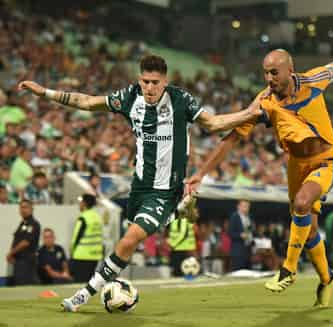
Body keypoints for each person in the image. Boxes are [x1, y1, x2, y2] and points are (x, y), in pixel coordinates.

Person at [18, 54, 265, 312]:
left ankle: (83, 294)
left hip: (165, 190)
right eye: (145, 81)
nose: (149, 88)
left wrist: (250, 114)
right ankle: (175, 215)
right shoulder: (130, 97)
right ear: (139, 79)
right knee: (127, 245)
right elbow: (88, 102)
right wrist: (44, 92)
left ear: (165, 81)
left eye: (155, 82)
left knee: (129, 239)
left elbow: (214, 123)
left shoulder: (180, 100)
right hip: (139, 188)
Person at [186, 49, 333, 307]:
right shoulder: (264, 101)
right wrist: (200, 173)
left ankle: (289, 269)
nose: (269, 78)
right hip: (296, 166)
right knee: (308, 231)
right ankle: (327, 279)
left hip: (327, 159)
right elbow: (232, 139)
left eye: (274, 72)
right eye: (265, 72)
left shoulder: (313, 80)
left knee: (302, 202)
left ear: (290, 69)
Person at [70, 193, 103, 283]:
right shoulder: (97, 217)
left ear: (84, 204)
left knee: (79, 284)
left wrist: (72, 253)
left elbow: (75, 238)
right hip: (95, 256)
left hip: (81, 256)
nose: (79, 204)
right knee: (89, 284)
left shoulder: (83, 217)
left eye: (80, 202)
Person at [6, 199, 41, 285]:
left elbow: (25, 242)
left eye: (26, 207)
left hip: (27, 261)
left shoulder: (33, 224)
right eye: (21, 207)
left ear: (31, 209)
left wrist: (10, 253)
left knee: (25, 285)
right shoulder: (23, 224)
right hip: (18, 261)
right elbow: (17, 240)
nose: (23, 210)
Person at [228, 200, 253, 271]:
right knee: (238, 271)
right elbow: (230, 233)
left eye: (248, 207)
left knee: (247, 271)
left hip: (247, 249)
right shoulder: (234, 217)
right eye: (244, 206)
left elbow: (250, 231)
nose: (246, 208)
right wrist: (240, 235)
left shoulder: (249, 217)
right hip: (238, 250)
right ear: (239, 207)